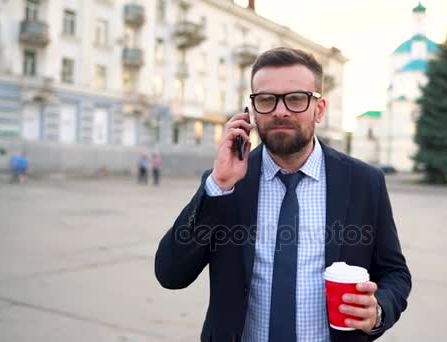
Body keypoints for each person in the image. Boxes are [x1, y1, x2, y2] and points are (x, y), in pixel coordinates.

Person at [155, 47, 411, 342]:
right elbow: (171, 273)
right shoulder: (228, 183)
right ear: (251, 111)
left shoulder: (365, 182)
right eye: (266, 99)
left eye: (296, 98)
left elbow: (395, 273)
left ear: (320, 109)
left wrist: (377, 310)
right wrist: (217, 185)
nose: (280, 110)